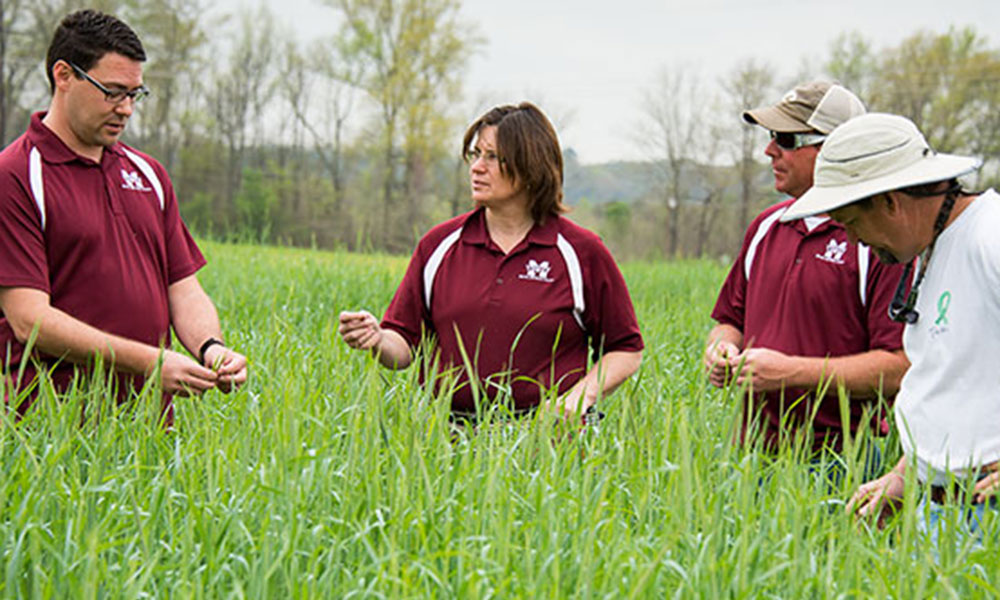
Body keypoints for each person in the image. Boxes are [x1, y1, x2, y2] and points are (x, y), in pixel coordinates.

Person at [0, 10, 247, 411]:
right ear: (63, 75)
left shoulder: (149, 175)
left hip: (148, 434)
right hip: (49, 428)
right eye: (112, 91)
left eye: (135, 94)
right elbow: (30, 319)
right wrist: (150, 361)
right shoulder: (15, 176)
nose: (127, 109)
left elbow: (182, 289)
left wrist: (211, 347)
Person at [339, 102, 643, 423]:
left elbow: (625, 349)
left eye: (493, 157)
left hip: (549, 447)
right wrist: (376, 339)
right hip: (445, 445)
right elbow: (403, 345)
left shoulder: (580, 252)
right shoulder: (438, 245)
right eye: (475, 154)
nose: (477, 167)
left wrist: (580, 397)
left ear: (530, 166)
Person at [782, 113, 996, 537]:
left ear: (890, 202)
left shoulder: (989, 235)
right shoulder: (928, 250)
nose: (854, 241)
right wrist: (905, 474)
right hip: (939, 513)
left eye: (852, 224)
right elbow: (951, 380)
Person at [704, 80, 908, 458]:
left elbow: (898, 366)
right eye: (771, 137)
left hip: (842, 459)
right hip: (751, 455)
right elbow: (729, 321)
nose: (770, 151)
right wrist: (721, 349)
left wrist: (792, 372)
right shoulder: (766, 227)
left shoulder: (879, 240)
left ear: (834, 148)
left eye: (786, 139)